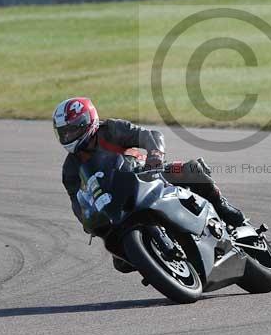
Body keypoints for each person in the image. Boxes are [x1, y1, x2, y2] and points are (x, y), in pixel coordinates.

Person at [52, 97, 246, 272]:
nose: (68, 136)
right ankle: (156, 261)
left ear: (88, 121)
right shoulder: (70, 169)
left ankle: (221, 204)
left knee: (190, 169)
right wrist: (87, 221)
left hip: (148, 175)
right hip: (115, 204)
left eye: (72, 129)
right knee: (121, 262)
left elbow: (149, 135)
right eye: (63, 132)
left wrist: (155, 155)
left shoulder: (111, 130)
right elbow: (76, 201)